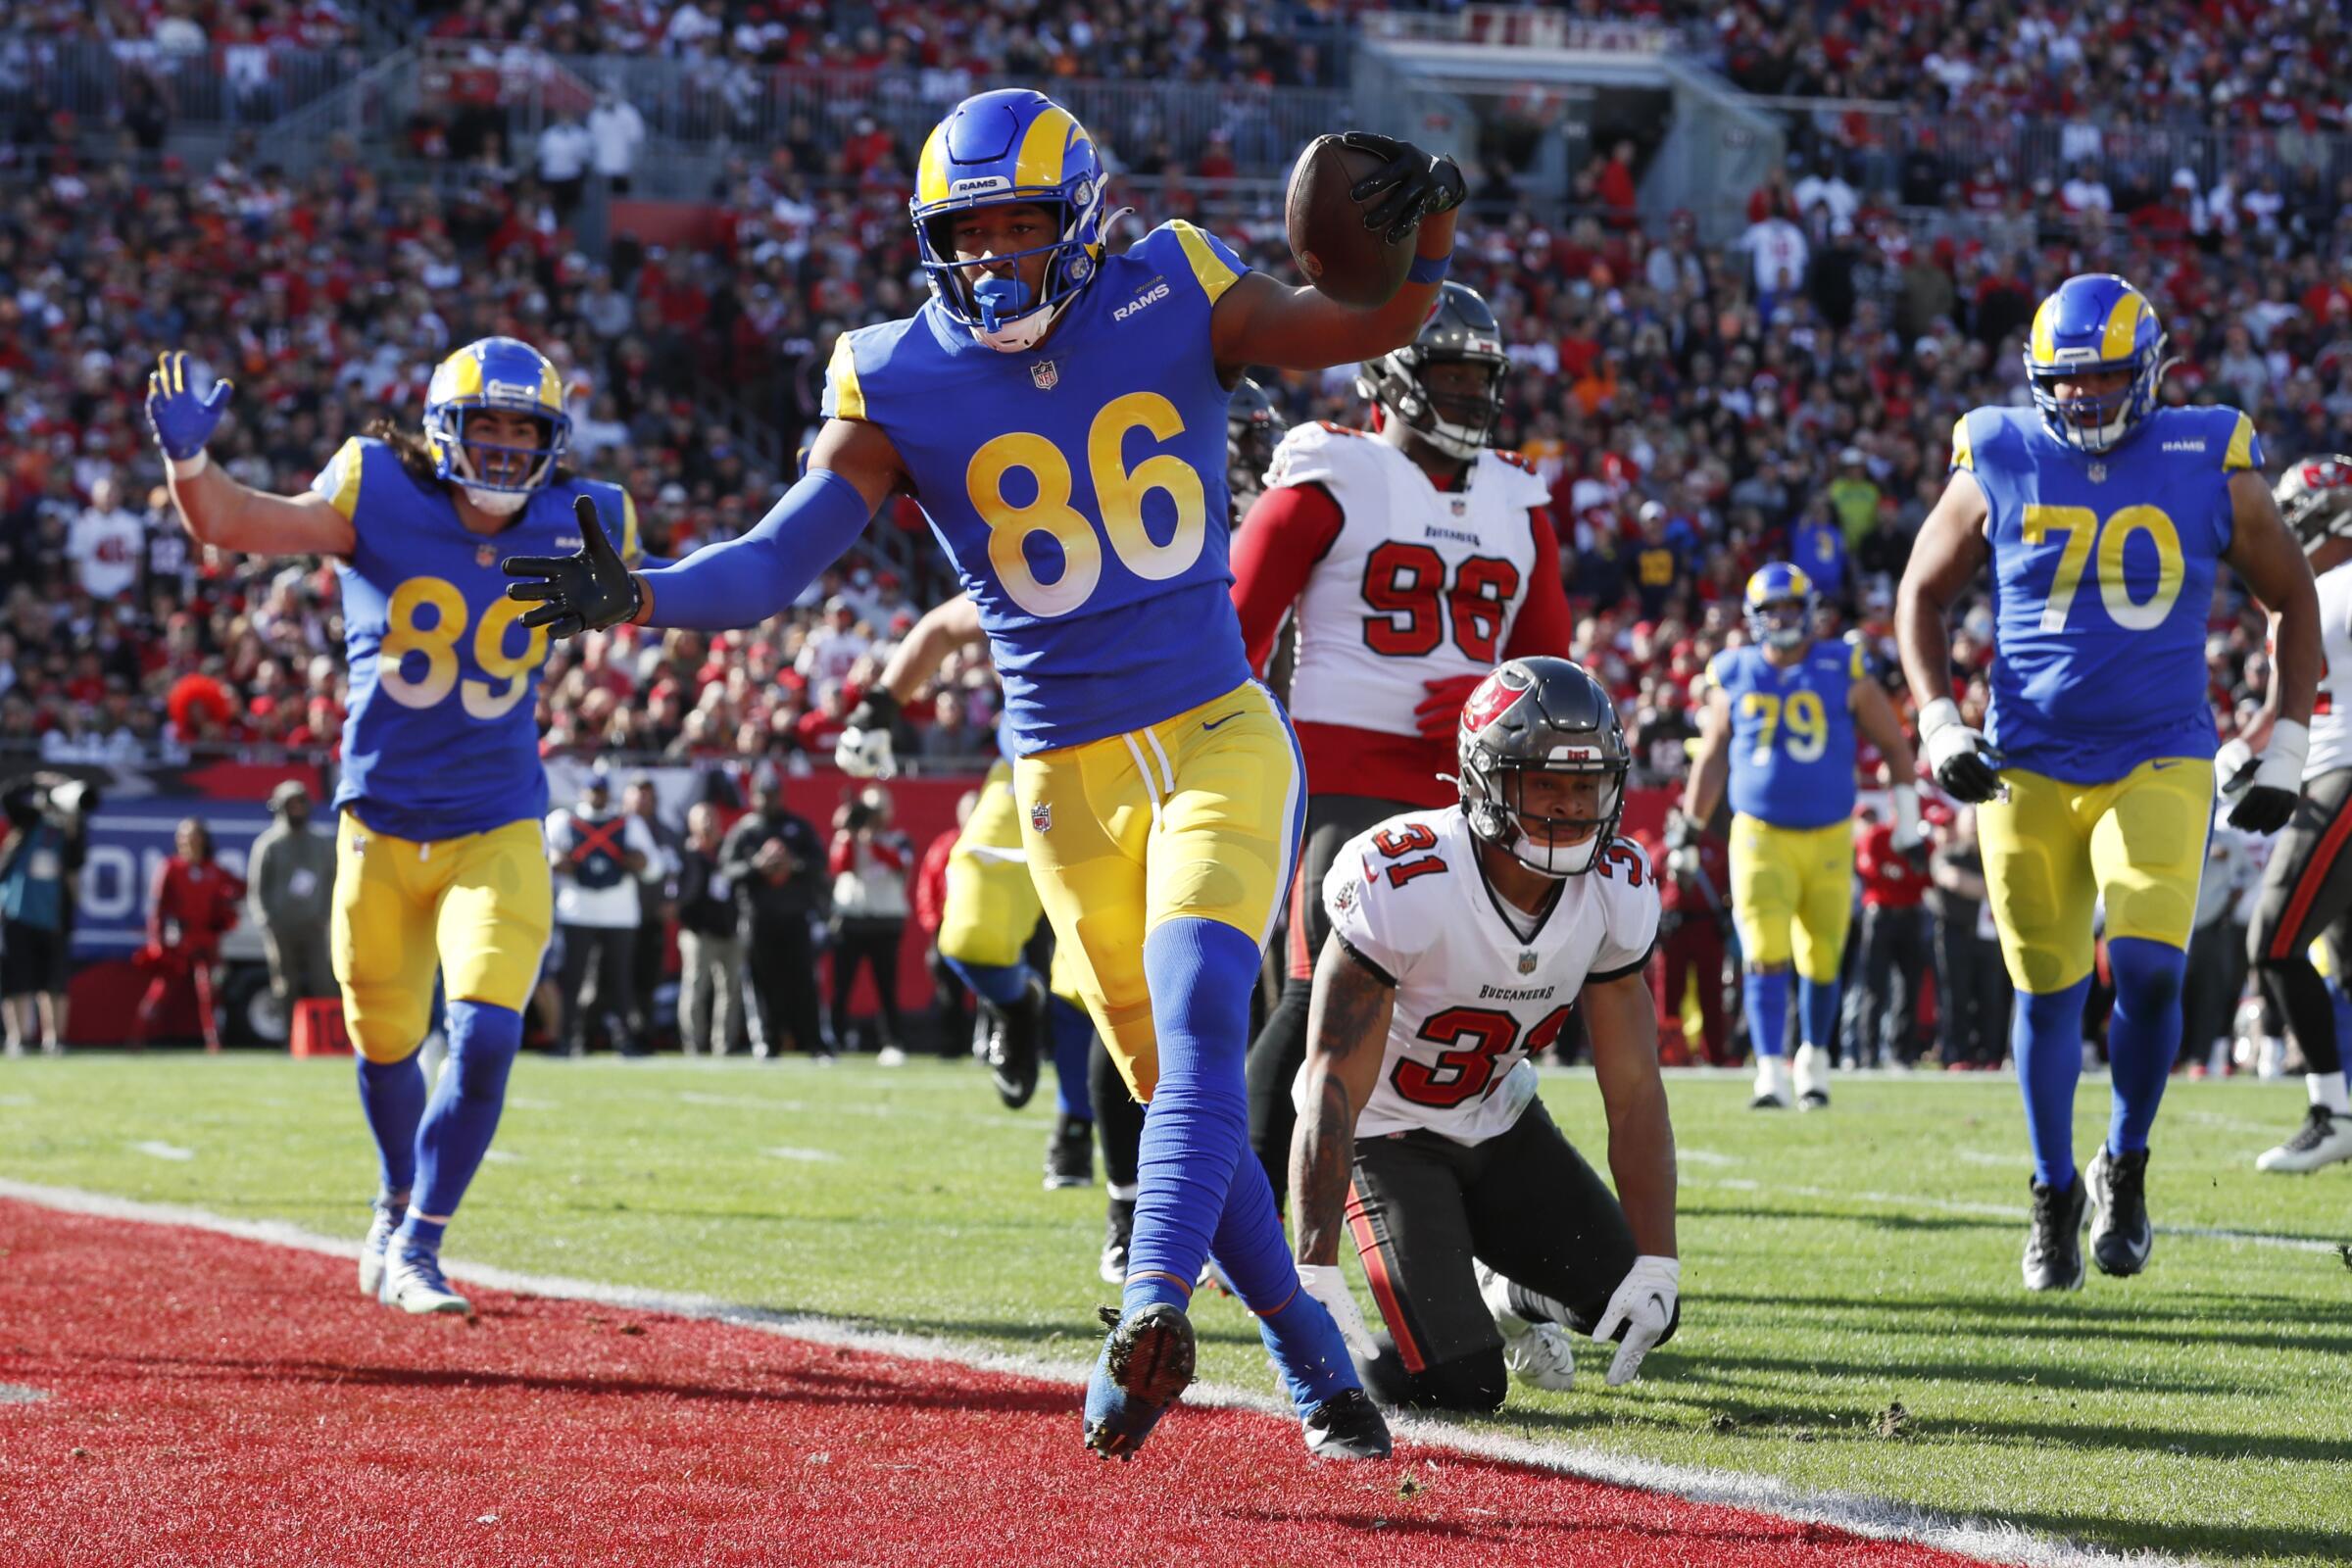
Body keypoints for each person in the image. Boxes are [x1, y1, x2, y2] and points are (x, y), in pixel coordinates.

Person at [504, 87, 1467, 1461]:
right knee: (1171, 1087)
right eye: (976, 232)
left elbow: (1368, 327)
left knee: (1199, 1030)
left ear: (1083, 218)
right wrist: (643, 594)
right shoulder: (889, 372)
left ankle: (1148, 1309)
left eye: (1027, 225)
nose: (1004, 258)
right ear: (931, 236)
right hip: (1065, 778)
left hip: (1214, 730)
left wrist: (1425, 249)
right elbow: (778, 558)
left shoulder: (1176, 280)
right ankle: (1320, 1376)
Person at [147, 333, 650, 1315]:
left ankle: (421, 1239)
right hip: (377, 827)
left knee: (487, 1035)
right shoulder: (374, 487)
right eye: (487, 426)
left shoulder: (587, 517)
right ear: (440, 428)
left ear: (554, 439)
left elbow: (670, 592)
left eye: (525, 430)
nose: (505, 450)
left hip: (497, 823)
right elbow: (230, 519)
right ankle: (392, 1195)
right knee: (383, 1047)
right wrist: (189, 462)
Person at [1895, 274, 2319, 1289]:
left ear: (2154, 371)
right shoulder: (1996, 445)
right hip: (2027, 764)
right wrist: (1940, 718)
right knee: (2048, 991)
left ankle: (2123, 1159)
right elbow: (1922, 590)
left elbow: (2292, 594)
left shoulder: (2207, 448)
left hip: (2160, 753)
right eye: (2068, 385)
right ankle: (2052, 1189)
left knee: (2153, 967)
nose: (2085, 402)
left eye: (2107, 381)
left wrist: (2291, 743)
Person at [1226, 281, 1572, 1208]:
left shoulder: (1515, 495)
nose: (1466, 396)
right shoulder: (1332, 473)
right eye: (1447, 374)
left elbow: (1550, 662)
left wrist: (1484, 695)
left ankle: (1475, 1220)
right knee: (1316, 997)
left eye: (1478, 378)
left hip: (1473, 789)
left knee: (1477, 1009)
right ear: (1392, 374)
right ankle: (1230, 1215)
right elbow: (1233, 638)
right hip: (1340, 775)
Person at [1288, 658, 1679, 1410]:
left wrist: (1659, 1260)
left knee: (1641, 1304)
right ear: (1484, 780)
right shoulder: (1403, 878)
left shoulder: (1615, 887)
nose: (1569, 808)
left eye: (1586, 784)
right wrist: (1313, 1260)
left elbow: (1634, 1092)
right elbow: (1331, 1081)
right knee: (1461, 1385)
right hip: (1388, 1139)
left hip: (1502, 1127)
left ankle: (1512, 1294)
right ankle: (1434, 1310)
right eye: (1544, 784)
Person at [837, 593, 1118, 1190]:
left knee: (1088, 973)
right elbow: (941, 625)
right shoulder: (1046, 551)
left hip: (1124, 785)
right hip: (1024, 776)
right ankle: (1017, 1004)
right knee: (968, 935)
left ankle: (1075, 1126)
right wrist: (881, 704)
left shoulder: (1173, 546)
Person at [1679, 564, 1922, 1109]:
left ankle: (1813, 1059)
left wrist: (1908, 823)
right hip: (1760, 834)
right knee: (1763, 951)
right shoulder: (1734, 670)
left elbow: (1895, 746)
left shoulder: (1843, 664)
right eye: (1771, 611)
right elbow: (1713, 755)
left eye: (1790, 608)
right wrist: (1689, 831)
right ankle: (1768, 1069)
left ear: (1809, 610)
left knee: (1822, 955)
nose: (1782, 619)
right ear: (1754, 618)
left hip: (1831, 834)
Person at [2234, 454, 2352, 1172]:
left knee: (2274, 939)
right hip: (2324, 764)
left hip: (2344, 772)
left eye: (2293, 520)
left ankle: (2331, 1108)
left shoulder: (2337, 584)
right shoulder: (2313, 592)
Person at [546, 768, 657, 1056]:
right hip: (577, 911)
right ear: (583, 792)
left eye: (601, 791)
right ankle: (567, 1038)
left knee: (620, 981)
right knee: (572, 980)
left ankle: (625, 1039)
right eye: (592, 790)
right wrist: (556, 861)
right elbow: (544, 857)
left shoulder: (628, 824)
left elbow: (654, 867)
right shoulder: (563, 821)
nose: (597, 796)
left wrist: (639, 862)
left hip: (618, 913)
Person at [720, 769, 829, 1059]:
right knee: (761, 982)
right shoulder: (746, 830)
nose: (767, 800)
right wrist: (757, 866)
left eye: (772, 794)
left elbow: (819, 863)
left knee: (804, 981)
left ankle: (814, 1042)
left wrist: (792, 865)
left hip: (795, 916)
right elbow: (727, 871)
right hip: (759, 918)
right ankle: (767, 1041)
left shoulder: (798, 827)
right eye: (762, 794)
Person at [133, 818, 245, 1053]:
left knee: (209, 992)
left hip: (206, 939)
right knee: (161, 991)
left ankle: (214, 1043)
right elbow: (157, 907)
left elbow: (241, 888)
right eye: (184, 836)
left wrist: (225, 912)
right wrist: (157, 940)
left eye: (194, 835)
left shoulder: (214, 870)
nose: (189, 840)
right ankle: (138, 1038)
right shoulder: (171, 867)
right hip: (179, 942)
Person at [0, 775, 90, 1055]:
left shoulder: (68, 832)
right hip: (17, 913)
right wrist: (39, 782)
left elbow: (76, 860)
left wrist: (71, 811)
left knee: (53, 981)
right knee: (17, 978)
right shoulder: (27, 823)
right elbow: (8, 797)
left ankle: (54, 1039)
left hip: (52, 917)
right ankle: (19, 1037)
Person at [827, 783, 912, 1060]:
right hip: (852, 919)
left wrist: (870, 840)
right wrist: (848, 834)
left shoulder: (898, 839)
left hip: (885, 922)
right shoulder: (848, 839)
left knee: (887, 987)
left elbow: (899, 863)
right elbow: (841, 867)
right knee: (842, 986)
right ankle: (834, 1039)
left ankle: (893, 1042)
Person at [247, 780, 337, 1018]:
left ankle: (327, 1037)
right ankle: (290, 1038)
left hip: (314, 925)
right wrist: (266, 920)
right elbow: (257, 887)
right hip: (281, 926)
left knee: (323, 981)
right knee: (285, 984)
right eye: (290, 804)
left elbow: (333, 880)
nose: (297, 808)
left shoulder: (322, 842)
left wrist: (326, 915)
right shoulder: (268, 844)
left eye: (301, 802)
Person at [673, 801, 743, 1057]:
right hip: (697, 931)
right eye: (703, 819)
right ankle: (693, 1045)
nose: (708, 824)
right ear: (691, 824)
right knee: (695, 988)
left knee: (730, 990)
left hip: (729, 929)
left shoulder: (730, 851)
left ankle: (723, 1045)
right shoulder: (686, 855)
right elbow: (680, 894)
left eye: (712, 818)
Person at [623, 775, 680, 1047]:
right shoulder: (614, 827)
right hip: (615, 920)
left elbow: (684, 871)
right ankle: (601, 1034)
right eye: (638, 793)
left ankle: (643, 1035)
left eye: (648, 794)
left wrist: (676, 901)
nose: (642, 800)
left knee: (648, 981)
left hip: (650, 919)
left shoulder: (666, 833)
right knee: (611, 979)